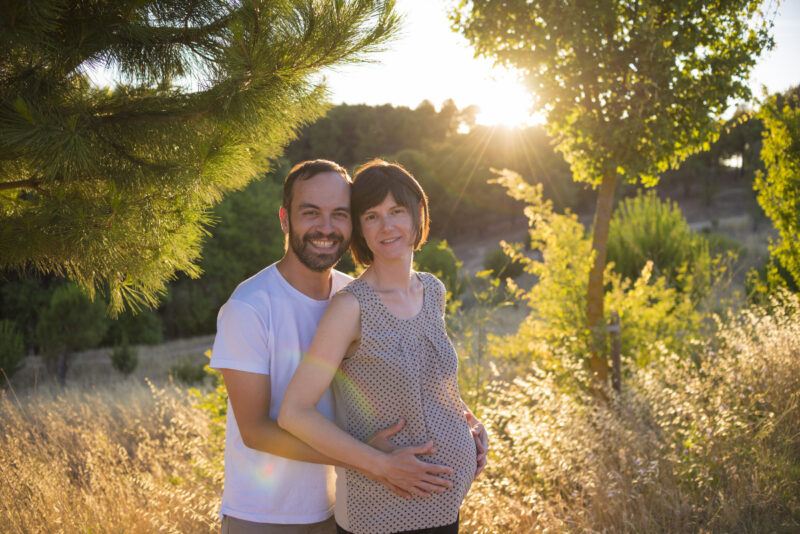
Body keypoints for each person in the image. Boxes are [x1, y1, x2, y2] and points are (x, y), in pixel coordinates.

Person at [210, 160, 459, 534]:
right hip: (267, 515)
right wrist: (369, 460)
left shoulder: (354, 295)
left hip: (344, 505)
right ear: (285, 218)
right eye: (311, 213)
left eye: (339, 214)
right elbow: (256, 431)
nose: (326, 227)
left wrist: (464, 423)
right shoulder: (249, 307)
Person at [279, 159, 488, 534]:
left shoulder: (432, 290)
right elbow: (294, 412)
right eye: (371, 216)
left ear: (418, 213)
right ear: (359, 228)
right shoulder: (351, 307)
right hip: (382, 513)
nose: (387, 226)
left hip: (446, 506)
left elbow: (428, 384)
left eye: (397, 211)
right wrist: (381, 464)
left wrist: (466, 421)